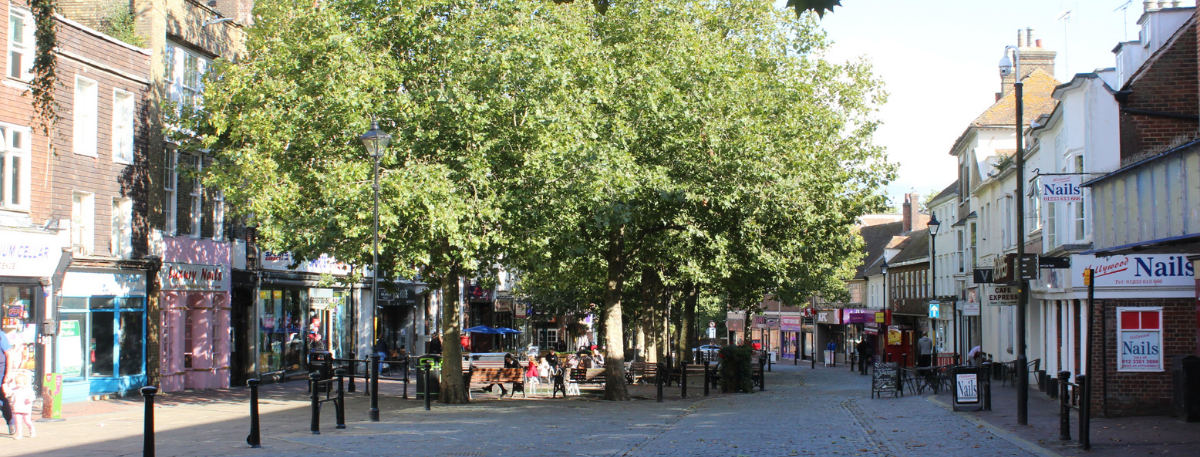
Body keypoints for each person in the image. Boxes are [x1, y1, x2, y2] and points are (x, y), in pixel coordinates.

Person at [7, 370, 34, 439]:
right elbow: (10, 393)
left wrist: (30, 399)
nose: (17, 384)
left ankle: (32, 430)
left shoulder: (28, 390)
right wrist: (9, 394)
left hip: (26, 407)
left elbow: (32, 396)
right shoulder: (14, 389)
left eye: (19, 383)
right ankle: (19, 434)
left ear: (24, 383)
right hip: (17, 407)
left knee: (27, 421)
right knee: (18, 422)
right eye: (16, 383)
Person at [1, 331, 12, 435]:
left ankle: (10, 422)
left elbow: (9, 353)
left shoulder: (1, 335)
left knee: (2, 400)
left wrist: (8, 373)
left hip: (0, 371)